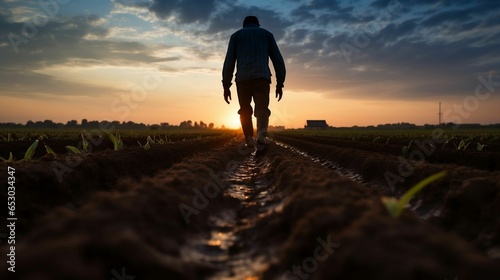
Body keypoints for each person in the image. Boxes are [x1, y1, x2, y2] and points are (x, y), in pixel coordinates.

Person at [222, 15, 286, 155]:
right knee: (262, 109)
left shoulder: (236, 36)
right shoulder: (267, 35)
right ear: (258, 24)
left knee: (245, 110)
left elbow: (229, 63)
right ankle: (262, 138)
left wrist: (226, 86)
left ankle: (249, 141)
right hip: (261, 78)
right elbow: (278, 61)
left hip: (242, 80)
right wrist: (280, 83)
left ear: (244, 24)